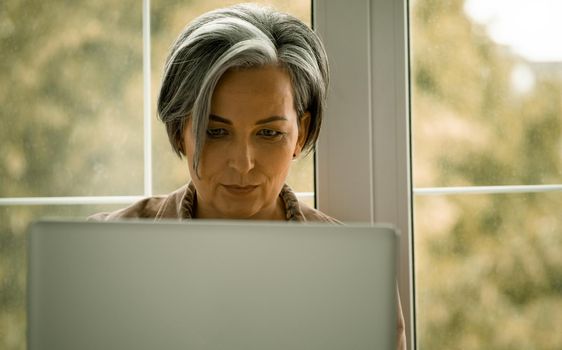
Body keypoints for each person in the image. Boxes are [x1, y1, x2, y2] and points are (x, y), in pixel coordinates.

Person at [90, 3, 405, 348]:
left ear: (301, 133)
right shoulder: (101, 253)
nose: (243, 164)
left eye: (269, 134)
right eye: (216, 132)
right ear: (180, 129)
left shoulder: (354, 274)